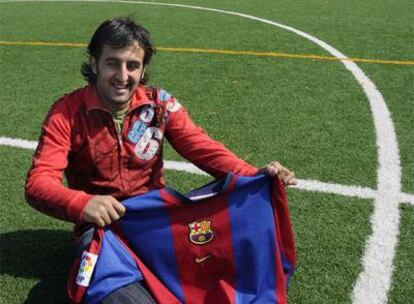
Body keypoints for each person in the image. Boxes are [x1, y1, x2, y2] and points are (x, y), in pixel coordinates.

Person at [25, 17, 296, 303]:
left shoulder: (160, 104)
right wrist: (84, 204)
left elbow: (203, 149)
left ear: (143, 70)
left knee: (244, 245)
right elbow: (38, 182)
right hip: (104, 232)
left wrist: (255, 175)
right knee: (114, 293)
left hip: (158, 222)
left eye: (133, 65)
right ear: (94, 64)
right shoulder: (66, 112)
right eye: (112, 63)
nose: (122, 75)